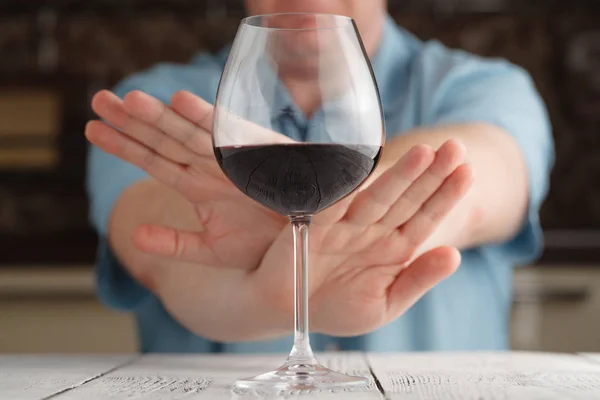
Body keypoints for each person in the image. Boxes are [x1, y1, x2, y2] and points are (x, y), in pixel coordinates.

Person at [85, 0, 554, 353]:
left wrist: (291, 216)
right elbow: (160, 250)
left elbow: (480, 179)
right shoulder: (153, 103)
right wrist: (275, 292)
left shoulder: (486, 88)